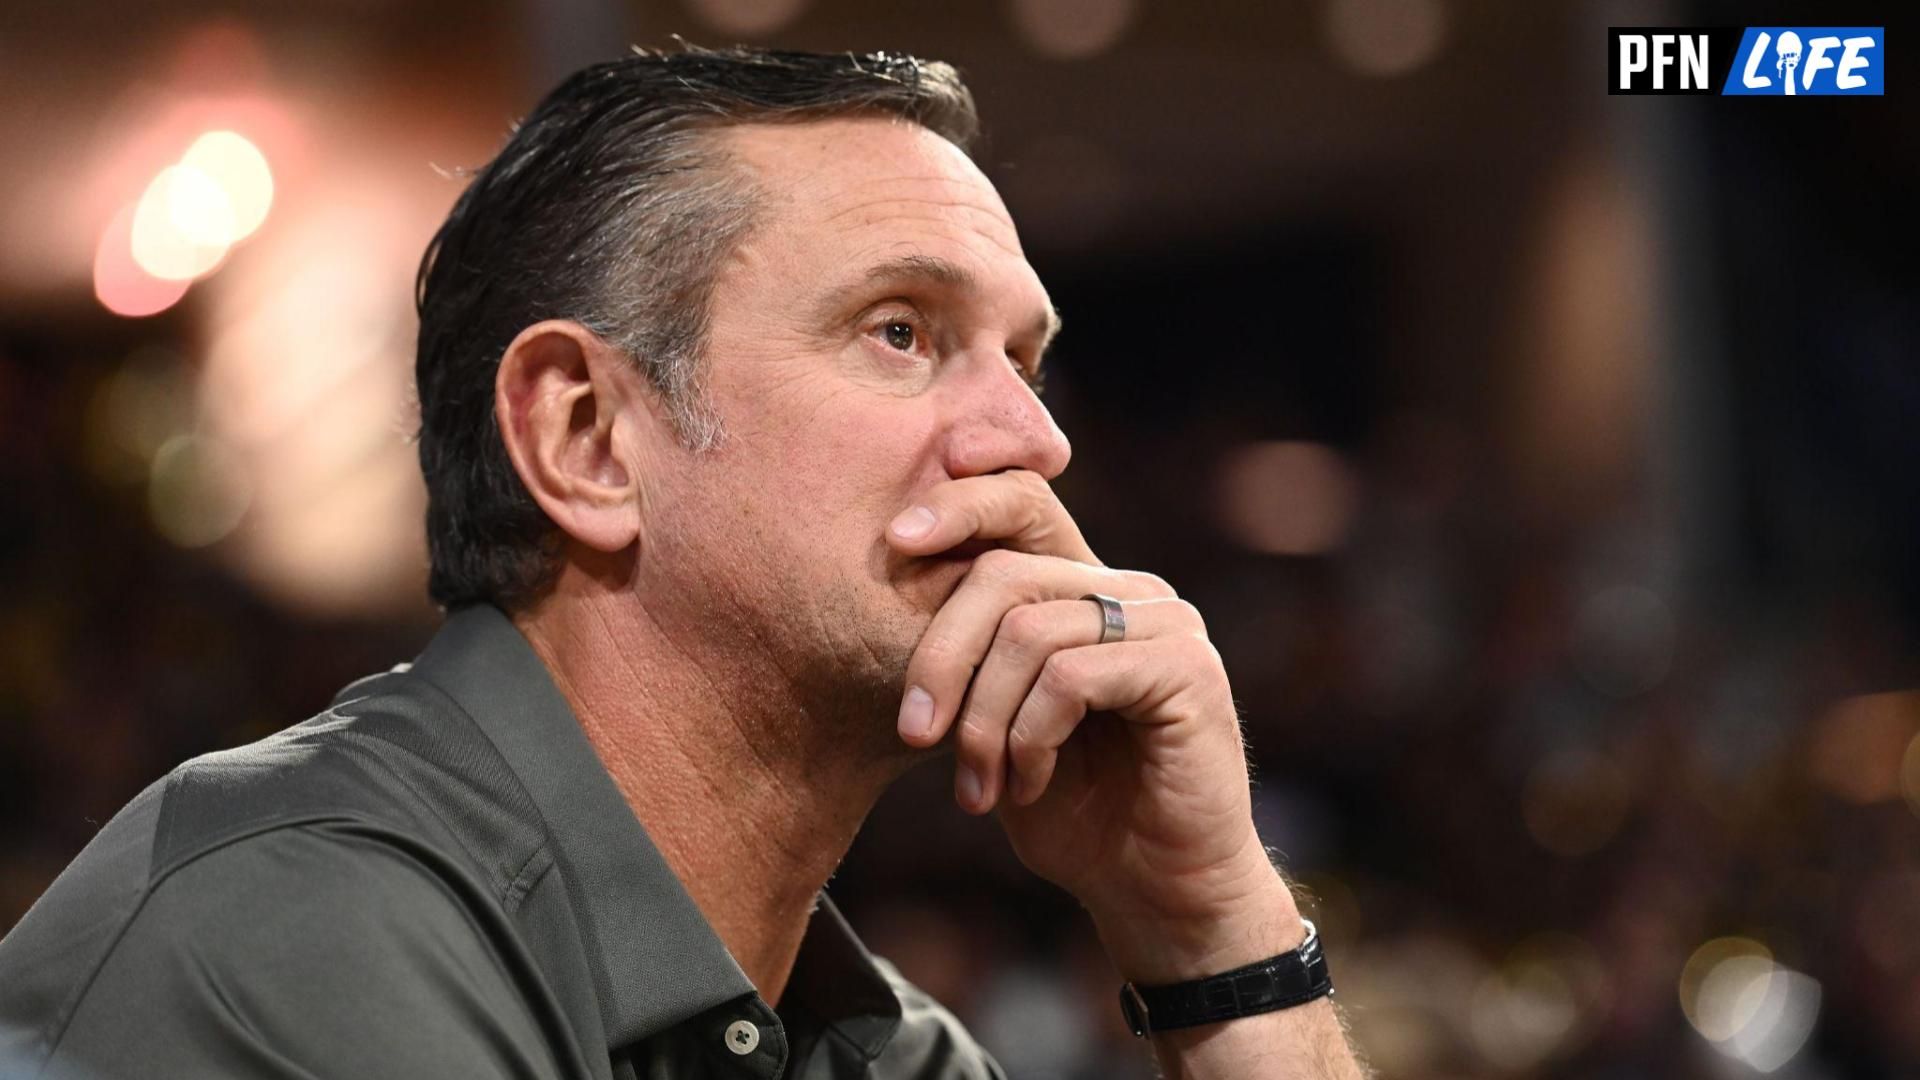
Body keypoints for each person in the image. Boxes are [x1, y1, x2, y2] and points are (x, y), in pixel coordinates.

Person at [0, 45, 1368, 1079]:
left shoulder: (875, 1047)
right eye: (901, 332)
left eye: (1025, 361)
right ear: (588, 437)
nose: (1035, 438)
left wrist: (1212, 930)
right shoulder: (293, 940)